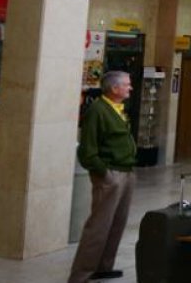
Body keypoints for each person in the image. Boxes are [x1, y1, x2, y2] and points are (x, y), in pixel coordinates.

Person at [69, 71, 137, 283]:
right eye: (127, 85)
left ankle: (104, 266)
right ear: (114, 88)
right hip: (110, 174)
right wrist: (104, 173)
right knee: (98, 226)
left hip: (126, 171)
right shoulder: (98, 110)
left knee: (117, 222)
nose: (130, 88)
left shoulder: (118, 109)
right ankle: (81, 274)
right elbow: (87, 150)